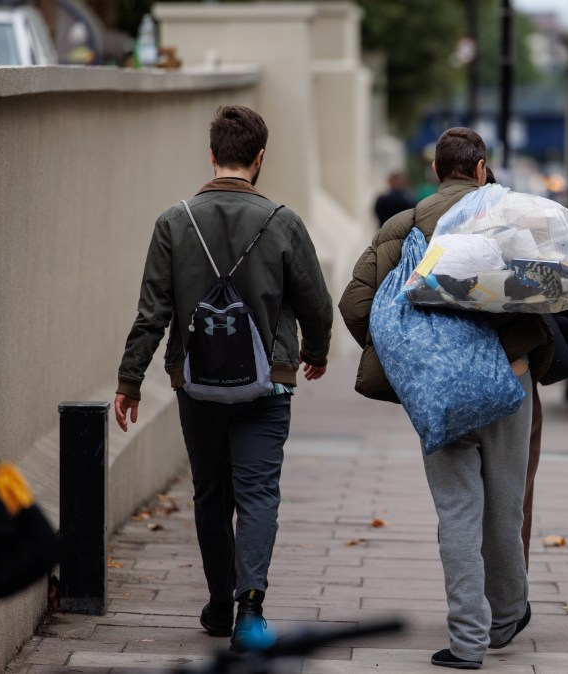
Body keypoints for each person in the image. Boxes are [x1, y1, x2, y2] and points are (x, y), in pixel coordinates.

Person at [113, 105, 334, 651]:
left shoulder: (174, 221)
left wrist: (130, 380)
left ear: (212, 155)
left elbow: (152, 312)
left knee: (212, 493)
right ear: (260, 158)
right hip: (269, 384)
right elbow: (318, 305)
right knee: (258, 493)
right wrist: (316, 352)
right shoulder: (283, 221)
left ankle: (218, 602)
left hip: (197, 384)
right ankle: (250, 612)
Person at [339, 127, 553, 670]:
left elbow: (354, 302)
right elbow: (546, 292)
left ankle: (466, 641)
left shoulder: (404, 226)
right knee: (504, 510)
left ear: (436, 172)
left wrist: (411, 356)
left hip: (440, 389)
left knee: (457, 511)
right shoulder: (510, 219)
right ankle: (506, 619)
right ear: (481, 169)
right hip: (509, 381)